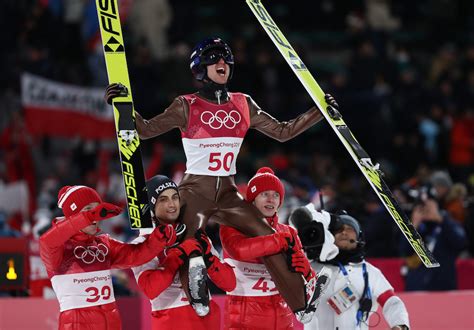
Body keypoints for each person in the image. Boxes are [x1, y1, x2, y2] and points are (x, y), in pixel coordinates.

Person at [105, 37, 340, 314]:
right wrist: (122, 103)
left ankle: (302, 303)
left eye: (226, 58)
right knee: (186, 241)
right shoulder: (186, 105)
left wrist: (320, 111)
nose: (222, 63)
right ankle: (197, 298)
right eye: (214, 58)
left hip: (229, 193)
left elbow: (283, 131)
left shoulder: (243, 104)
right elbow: (144, 130)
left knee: (270, 237)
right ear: (200, 69)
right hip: (195, 190)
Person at [39, 185, 177, 330]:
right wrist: (88, 216)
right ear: (72, 214)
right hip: (77, 323)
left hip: (111, 321)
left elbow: (135, 255)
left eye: (97, 210)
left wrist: (158, 238)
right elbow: (46, 242)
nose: (95, 216)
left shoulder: (103, 243)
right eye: (88, 210)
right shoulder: (59, 248)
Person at [220, 167, 331, 327]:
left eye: (276, 195)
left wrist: (306, 271)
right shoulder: (232, 226)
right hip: (244, 321)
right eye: (265, 194)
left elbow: (307, 288)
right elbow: (238, 250)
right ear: (252, 199)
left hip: (282, 319)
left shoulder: (288, 231)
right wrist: (278, 241)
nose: (271, 199)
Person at [131, 175, 236, 329]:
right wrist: (179, 253)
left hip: (207, 318)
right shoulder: (143, 244)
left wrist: (208, 257)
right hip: (171, 321)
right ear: (152, 206)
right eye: (163, 200)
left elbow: (230, 283)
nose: (172, 204)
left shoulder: (195, 234)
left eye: (175, 197)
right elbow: (150, 289)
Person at [289, 206, 410, 330]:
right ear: (329, 237)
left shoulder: (369, 272)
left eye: (350, 229)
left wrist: (400, 324)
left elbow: (391, 301)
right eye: (338, 230)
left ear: (359, 238)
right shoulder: (309, 268)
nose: (344, 232)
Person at [402, 196, 467, 291]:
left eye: (430, 207)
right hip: (417, 287)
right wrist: (413, 225)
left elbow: (461, 242)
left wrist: (440, 219)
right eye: (422, 208)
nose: (426, 210)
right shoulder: (417, 228)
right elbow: (404, 250)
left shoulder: (448, 224)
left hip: (443, 288)